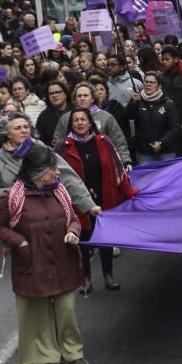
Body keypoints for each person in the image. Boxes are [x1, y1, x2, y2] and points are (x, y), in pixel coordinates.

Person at [0, 144, 89, 364]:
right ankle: (48, 357)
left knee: (67, 310)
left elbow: (73, 218)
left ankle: (73, 352)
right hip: (33, 263)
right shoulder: (11, 197)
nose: (57, 172)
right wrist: (21, 242)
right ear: (38, 172)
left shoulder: (60, 192)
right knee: (39, 313)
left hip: (62, 261)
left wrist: (73, 232)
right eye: (53, 168)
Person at [59, 107, 133, 294]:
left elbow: (118, 169)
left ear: (90, 122)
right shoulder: (62, 147)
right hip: (78, 203)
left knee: (105, 239)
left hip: (104, 198)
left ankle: (108, 275)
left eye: (83, 119)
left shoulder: (104, 141)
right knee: (83, 240)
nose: (79, 123)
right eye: (75, 120)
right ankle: (86, 278)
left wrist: (129, 191)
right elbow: (57, 175)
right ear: (71, 124)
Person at [0, 112, 99, 212]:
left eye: (26, 127)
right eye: (18, 128)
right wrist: (16, 194)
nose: (24, 131)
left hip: (49, 212)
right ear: (7, 134)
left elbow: (68, 178)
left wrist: (89, 205)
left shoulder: (43, 151)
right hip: (18, 217)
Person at [129, 70, 182, 163]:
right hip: (144, 153)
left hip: (166, 152)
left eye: (152, 82)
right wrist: (133, 103)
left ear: (159, 86)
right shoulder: (138, 101)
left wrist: (162, 143)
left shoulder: (168, 103)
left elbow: (175, 128)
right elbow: (129, 116)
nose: (148, 85)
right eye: (146, 82)